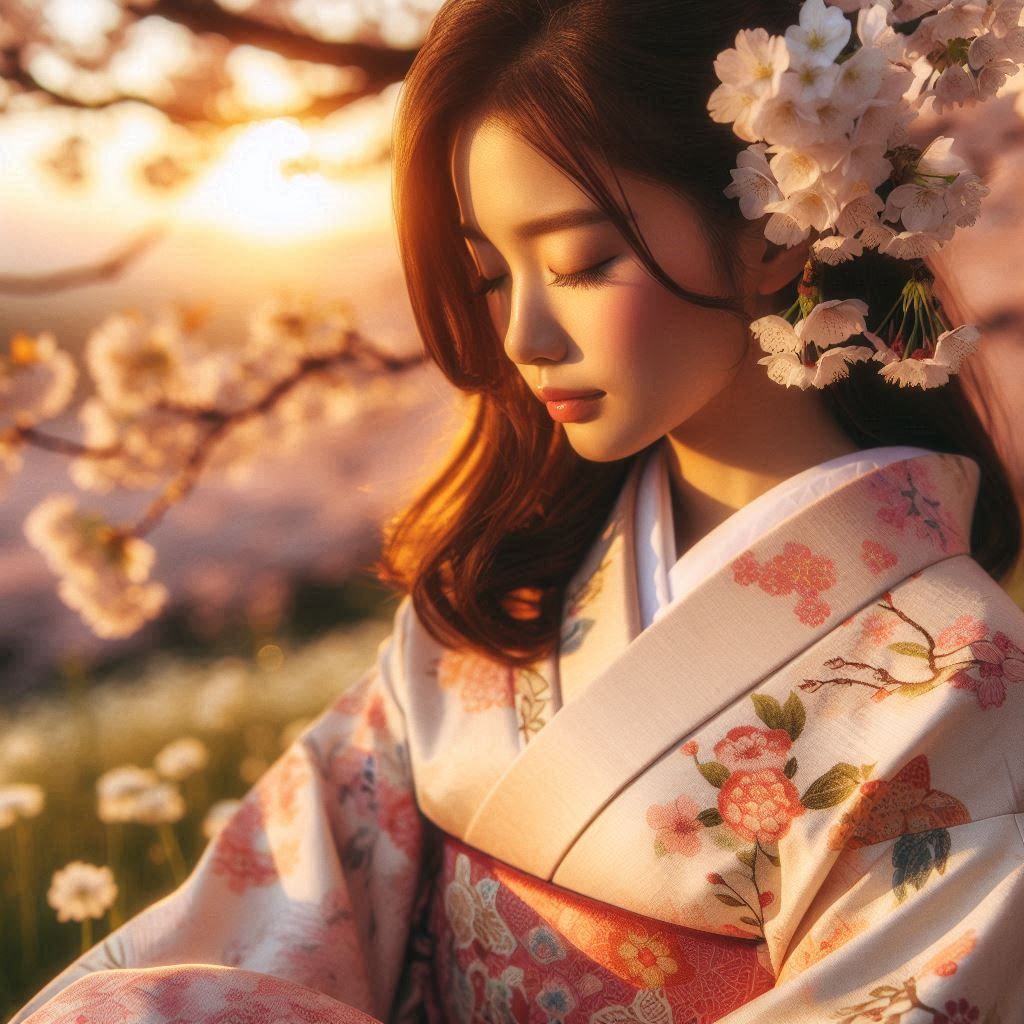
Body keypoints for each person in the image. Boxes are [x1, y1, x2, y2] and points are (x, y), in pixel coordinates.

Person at [12, 1, 1024, 1022]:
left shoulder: (961, 681)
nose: (524, 333)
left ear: (769, 232)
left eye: (582, 261)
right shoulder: (508, 582)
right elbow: (274, 911)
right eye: (490, 273)